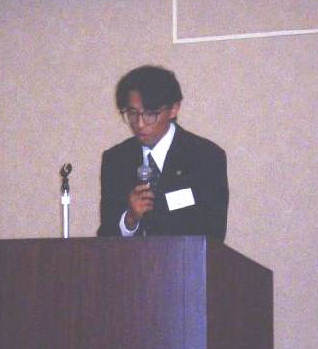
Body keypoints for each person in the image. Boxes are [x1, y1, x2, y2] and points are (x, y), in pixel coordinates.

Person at [97, 65, 229, 240]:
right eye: (132, 113)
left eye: (150, 114)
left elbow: (214, 234)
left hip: (186, 257)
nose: (140, 124)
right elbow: (105, 238)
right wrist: (130, 219)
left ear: (174, 109)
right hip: (130, 259)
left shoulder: (206, 157)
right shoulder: (116, 160)